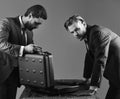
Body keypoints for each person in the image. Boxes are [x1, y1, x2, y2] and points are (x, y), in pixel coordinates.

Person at [64, 15, 120, 99]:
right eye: (72, 32)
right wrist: (86, 78)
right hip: (116, 79)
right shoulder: (90, 35)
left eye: (77, 29)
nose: (75, 34)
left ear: (83, 23)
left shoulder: (97, 33)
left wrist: (94, 85)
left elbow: (100, 59)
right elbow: (90, 56)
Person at [0, 4, 47, 99]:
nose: (37, 27)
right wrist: (24, 49)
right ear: (30, 15)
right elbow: (1, 44)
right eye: (36, 23)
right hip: (2, 74)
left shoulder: (30, 32)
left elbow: (28, 51)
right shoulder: (6, 23)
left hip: (15, 77)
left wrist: (35, 51)